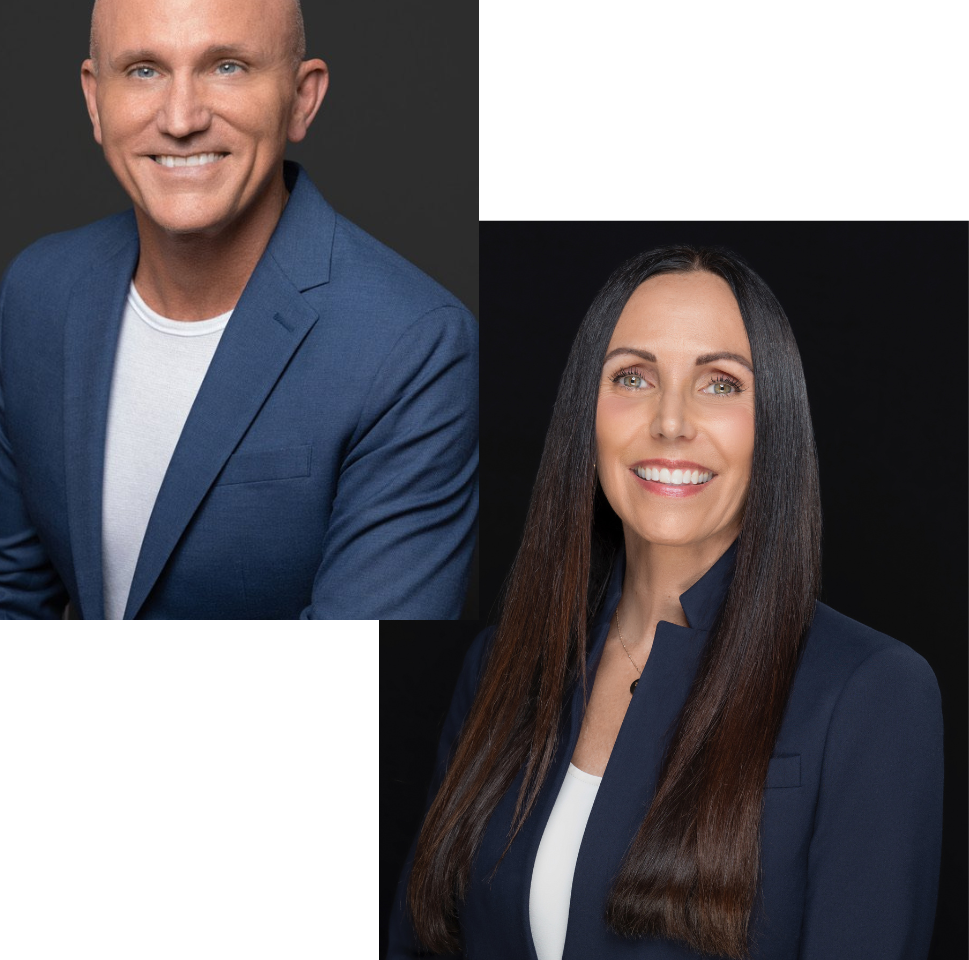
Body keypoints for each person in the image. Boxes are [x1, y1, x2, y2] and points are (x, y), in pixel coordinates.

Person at [387, 247, 943, 957]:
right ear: (586, 415)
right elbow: (422, 937)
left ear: (773, 421)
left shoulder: (872, 694)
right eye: (633, 377)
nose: (671, 421)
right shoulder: (504, 664)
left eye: (719, 384)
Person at [0, 0, 478, 621]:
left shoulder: (414, 346)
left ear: (303, 98)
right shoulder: (38, 293)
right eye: (143, 70)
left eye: (227, 66)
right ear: (95, 101)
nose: (182, 115)